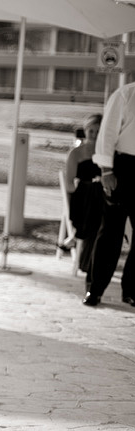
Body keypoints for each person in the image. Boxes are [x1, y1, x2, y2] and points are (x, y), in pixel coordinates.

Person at [82, 81, 135, 307]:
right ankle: (95, 289)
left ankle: (132, 290)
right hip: (123, 167)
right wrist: (106, 170)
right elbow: (107, 133)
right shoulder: (126, 94)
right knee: (111, 231)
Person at [65, 114, 103, 274]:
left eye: (98, 132)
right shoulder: (76, 153)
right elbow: (69, 183)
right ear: (86, 131)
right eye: (91, 131)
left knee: (97, 192)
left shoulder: (106, 153)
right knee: (89, 191)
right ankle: (78, 235)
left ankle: (76, 235)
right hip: (81, 198)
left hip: (100, 198)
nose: (94, 135)